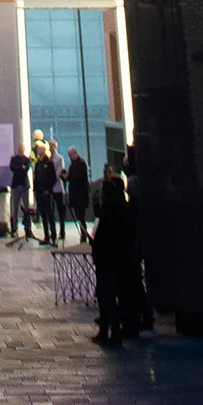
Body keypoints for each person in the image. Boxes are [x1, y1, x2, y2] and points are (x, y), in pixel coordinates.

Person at [91, 166, 135, 345]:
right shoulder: (122, 209)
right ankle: (115, 328)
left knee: (106, 295)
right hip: (117, 258)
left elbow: (105, 237)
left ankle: (109, 329)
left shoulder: (110, 213)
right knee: (115, 293)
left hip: (108, 260)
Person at [33, 141, 59, 246]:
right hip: (39, 193)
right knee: (43, 215)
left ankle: (53, 235)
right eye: (38, 151)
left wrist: (49, 189)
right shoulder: (37, 164)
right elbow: (36, 177)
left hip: (46, 193)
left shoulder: (49, 163)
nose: (40, 152)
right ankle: (46, 236)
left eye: (41, 150)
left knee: (49, 215)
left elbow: (53, 178)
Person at [66, 146, 91, 242]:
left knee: (81, 216)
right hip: (75, 195)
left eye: (70, 155)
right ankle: (83, 233)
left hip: (80, 195)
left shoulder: (81, 164)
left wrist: (69, 176)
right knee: (79, 216)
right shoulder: (73, 165)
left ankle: (84, 235)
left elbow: (77, 178)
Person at [8, 145, 32, 244]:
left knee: (26, 208)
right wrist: (20, 168)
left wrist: (21, 168)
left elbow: (27, 168)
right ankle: (14, 229)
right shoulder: (13, 159)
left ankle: (28, 228)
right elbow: (12, 168)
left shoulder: (27, 159)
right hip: (15, 185)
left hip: (24, 185)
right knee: (15, 208)